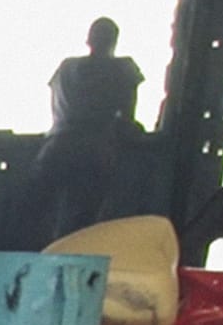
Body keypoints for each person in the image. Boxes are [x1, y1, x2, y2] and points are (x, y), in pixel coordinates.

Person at [35, 17, 145, 238]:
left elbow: (56, 107)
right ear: (114, 41)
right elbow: (126, 118)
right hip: (93, 152)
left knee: (41, 219)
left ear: (89, 40)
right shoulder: (122, 69)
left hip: (54, 149)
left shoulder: (66, 67)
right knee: (82, 226)